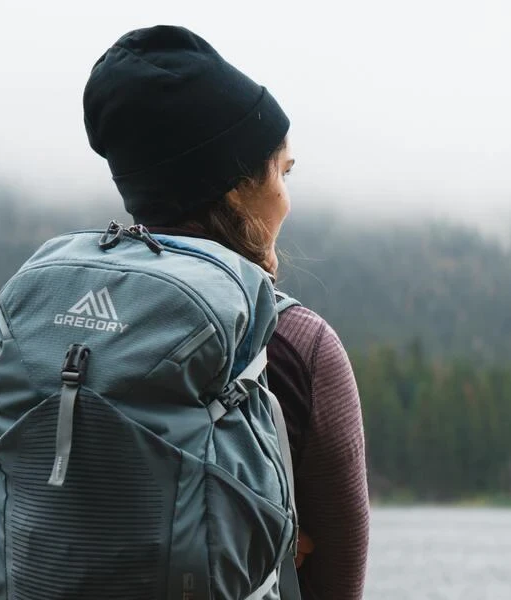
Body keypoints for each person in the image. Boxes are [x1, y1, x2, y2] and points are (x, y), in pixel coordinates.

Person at [80, 25, 371, 599]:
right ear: (237, 188)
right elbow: (337, 581)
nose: (287, 196)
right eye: (282, 171)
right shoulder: (294, 343)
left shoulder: (45, 315)